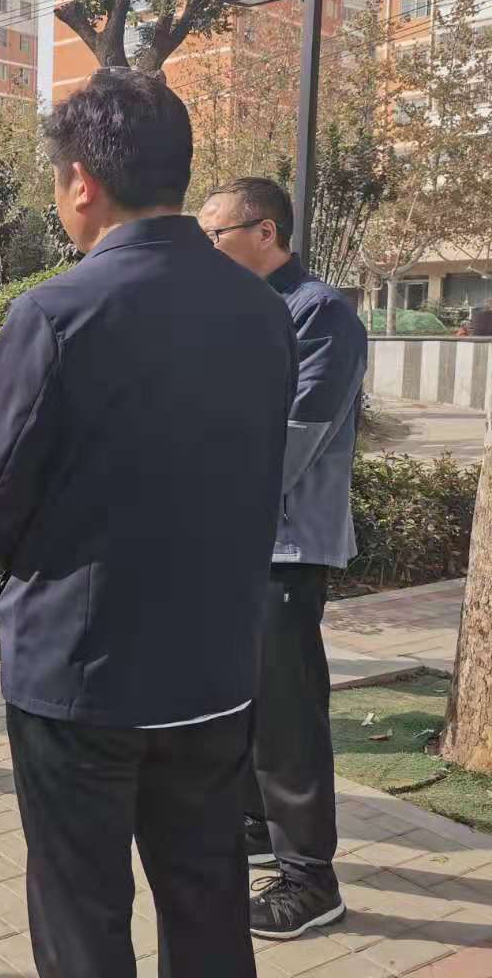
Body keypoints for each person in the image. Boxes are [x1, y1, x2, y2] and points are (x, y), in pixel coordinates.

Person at [0, 70, 297, 976]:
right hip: (215, 668)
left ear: (81, 181)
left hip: (82, 674)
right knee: (208, 905)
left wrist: (49, 568)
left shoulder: (56, 311)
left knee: (84, 920)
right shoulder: (264, 312)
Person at [200, 178, 366, 940]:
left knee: (289, 715)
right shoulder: (242, 312)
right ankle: (258, 826)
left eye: (216, 236)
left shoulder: (321, 314)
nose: (206, 250)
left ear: (264, 232)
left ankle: (311, 880)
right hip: (238, 541)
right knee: (248, 701)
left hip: (287, 546)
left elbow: (296, 435)